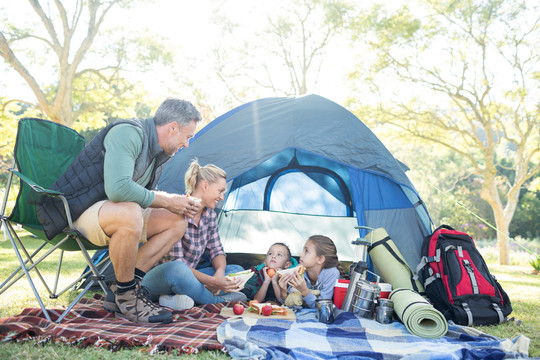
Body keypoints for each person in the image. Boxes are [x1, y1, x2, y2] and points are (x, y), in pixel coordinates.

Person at [36, 98, 203, 324]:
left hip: (110, 213)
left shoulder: (158, 155)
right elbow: (118, 189)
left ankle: (123, 291)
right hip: (74, 211)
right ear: (173, 127)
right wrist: (165, 199)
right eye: (187, 136)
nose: (187, 144)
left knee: (176, 220)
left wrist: (176, 204)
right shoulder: (129, 133)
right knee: (130, 213)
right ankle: (127, 295)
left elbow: (138, 198)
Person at [142, 160, 246, 310]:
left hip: (190, 278)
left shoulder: (209, 215)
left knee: (236, 270)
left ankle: (181, 298)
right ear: (205, 186)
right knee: (178, 270)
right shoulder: (177, 210)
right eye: (220, 191)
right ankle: (215, 301)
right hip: (163, 277)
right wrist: (212, 282)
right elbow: (177, 264)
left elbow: (217, 251)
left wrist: (219, 274)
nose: (222, 197)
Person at [279, 235, 342, 308]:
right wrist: (283, 293)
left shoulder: (331, 273)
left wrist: (304, 291)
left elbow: (322, 308)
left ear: (320, 259)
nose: (300, 254)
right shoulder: (299, 269)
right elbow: (289, 302)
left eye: (306, 251)